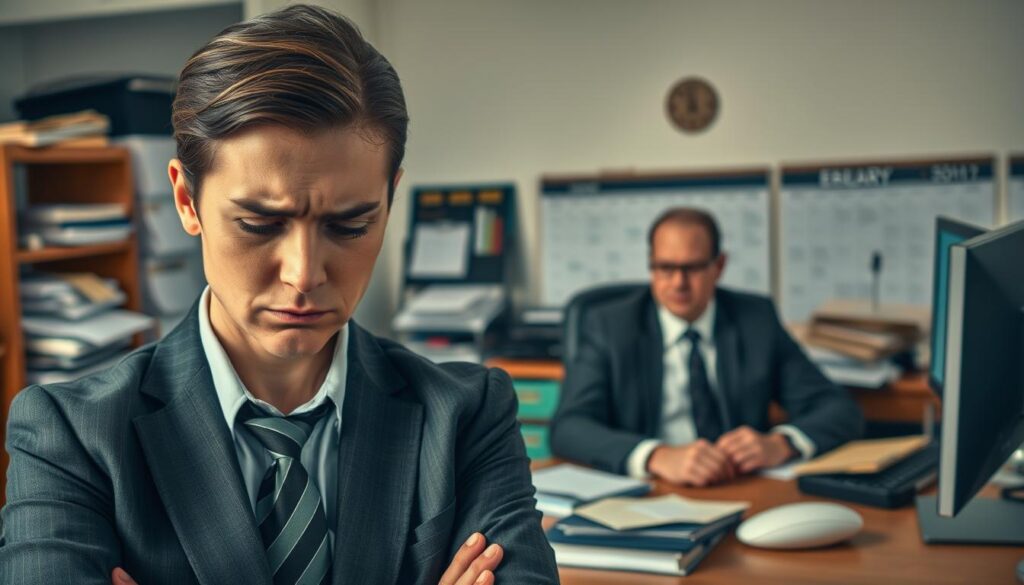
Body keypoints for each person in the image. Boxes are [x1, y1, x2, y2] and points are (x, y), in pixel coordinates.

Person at [0, 6, 558, 585]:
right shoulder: (71, 435)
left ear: (389, 200)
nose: (304, 274)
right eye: (260, 224)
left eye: (349, 225)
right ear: (187, 202)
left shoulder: (469, 414)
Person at [550, 207, 863, 486]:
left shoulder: (756, 320)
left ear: (719, 265)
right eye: (664, 268)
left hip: (738, 487)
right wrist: (655, 455)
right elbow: (568, 427)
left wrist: (782, 443)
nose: (677, 283)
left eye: (692, 268)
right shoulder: (610, 326)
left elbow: (838, 409)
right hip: (649, 490)